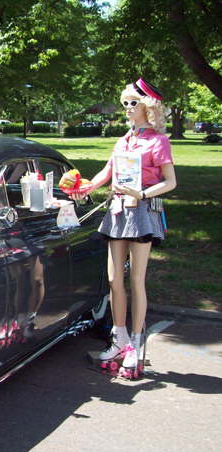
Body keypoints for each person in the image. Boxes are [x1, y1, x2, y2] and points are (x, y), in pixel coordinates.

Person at [73, 78, 177, 377]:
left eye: (134, 103)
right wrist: (85, 186)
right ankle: (119, 339)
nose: (128, 109)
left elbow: (170, 182)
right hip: (118, 211)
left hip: (142, 211)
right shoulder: (124, 140)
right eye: (126, 104)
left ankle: (135, 344)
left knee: (137, 281)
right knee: (114, 278)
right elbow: (108, 170)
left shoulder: (158, 141)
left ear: (148, 106)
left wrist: (142, 194)